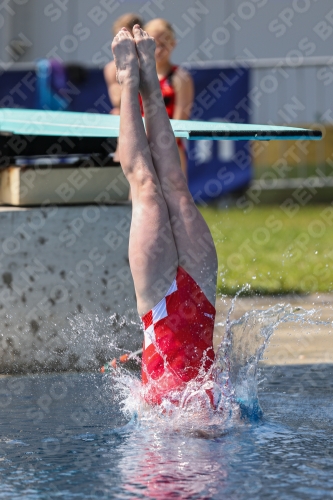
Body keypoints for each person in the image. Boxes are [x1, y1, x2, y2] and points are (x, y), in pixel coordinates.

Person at [112, 25, 218, 407]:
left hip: (159, 302)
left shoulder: (157, 420)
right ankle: (149, 81)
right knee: (175, 188)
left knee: (147, 189)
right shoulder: (217, 413)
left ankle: (128, 80)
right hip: (201, 295)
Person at [142, 18, 194, 177]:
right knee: (138, 198)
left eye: (163, 45)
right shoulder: (136, 77)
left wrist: (163, 149)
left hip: (170, 148)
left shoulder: (180, 78)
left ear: (173, 44)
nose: (158, 51)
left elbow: (180, 121)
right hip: (141, 147)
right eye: (153, 45)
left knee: (175, 200)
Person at [104, 13, 144, 116]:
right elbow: (118, 102)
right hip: (130, 114)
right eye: (120, 39)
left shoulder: (152, 63)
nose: (124, 44)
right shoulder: (112, 69)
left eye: (128, 39)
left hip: (151, 113)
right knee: (116, 112)